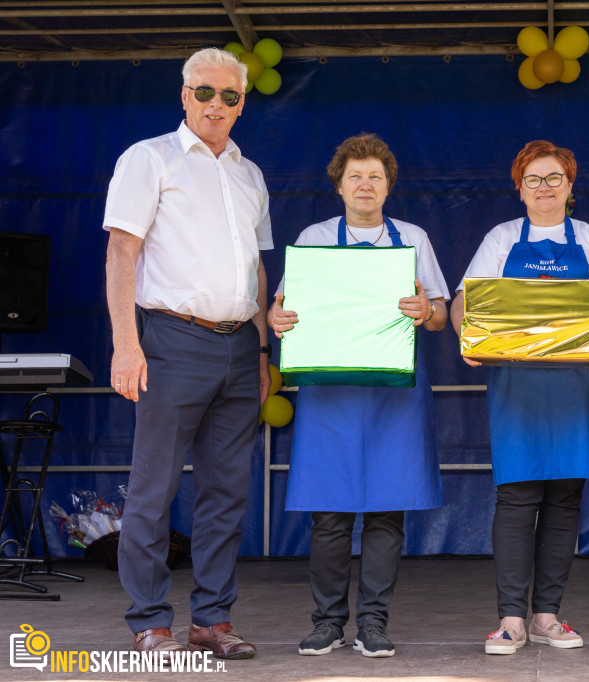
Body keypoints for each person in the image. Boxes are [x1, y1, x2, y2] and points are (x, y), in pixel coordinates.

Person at [104, 47, 271, 658]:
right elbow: (121, 253)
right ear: (184, 95)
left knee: (228, 491)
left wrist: (259, 351)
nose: (215, 105)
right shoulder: (149, 158)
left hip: (236, 346)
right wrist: (127, 343)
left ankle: (211, 620)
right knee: (154, 488)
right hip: (171, 341)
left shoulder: (250, 175)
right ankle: (150, 620)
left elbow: (255, 269)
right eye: (204, 92)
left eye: (229, 96)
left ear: (241, 104)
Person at [450, 140, 589, 655]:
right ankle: (511, 619)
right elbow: (466, 297)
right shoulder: (502, 238)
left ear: (570, 186)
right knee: (515, 496)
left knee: (564, 499)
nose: (544, 188)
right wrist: (469, 337)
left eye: (554, 178)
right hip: (517, 384)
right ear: (520, 188)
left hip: (578, 384)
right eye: (534, 179)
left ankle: (548, 616)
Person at [268, 134, 450, 659]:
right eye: (356, 176)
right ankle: (327, 622)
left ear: (389, 184)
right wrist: (276, 319)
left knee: (387, 511)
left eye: (375, 176)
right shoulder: (316, 237)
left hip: (395, 393)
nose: (365, 185)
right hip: (331, 393)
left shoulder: (412, 237)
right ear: (339, 185)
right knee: (329, 512)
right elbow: (284, 308)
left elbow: (438, 316)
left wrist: (425, 310)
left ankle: (373, 623)